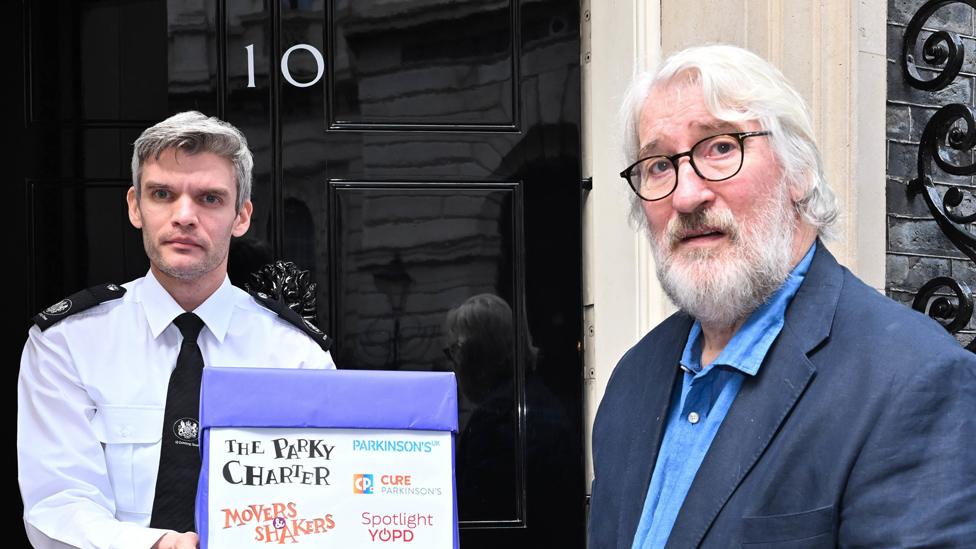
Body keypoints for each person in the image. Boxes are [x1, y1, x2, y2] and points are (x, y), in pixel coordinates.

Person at [589, 45, 976, 548]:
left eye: (721, 147)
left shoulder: (913, 381)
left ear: (800, 172)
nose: (686, 195)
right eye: (659, 164)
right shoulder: (633, 379)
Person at [18, 111, 336, 549]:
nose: (184, 216)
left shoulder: (295, 354)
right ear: (135, 206)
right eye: (163, 194)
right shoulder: (67, 344)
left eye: (209, 199)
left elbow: (324, 506)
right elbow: (58, 501)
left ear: (241, 217)